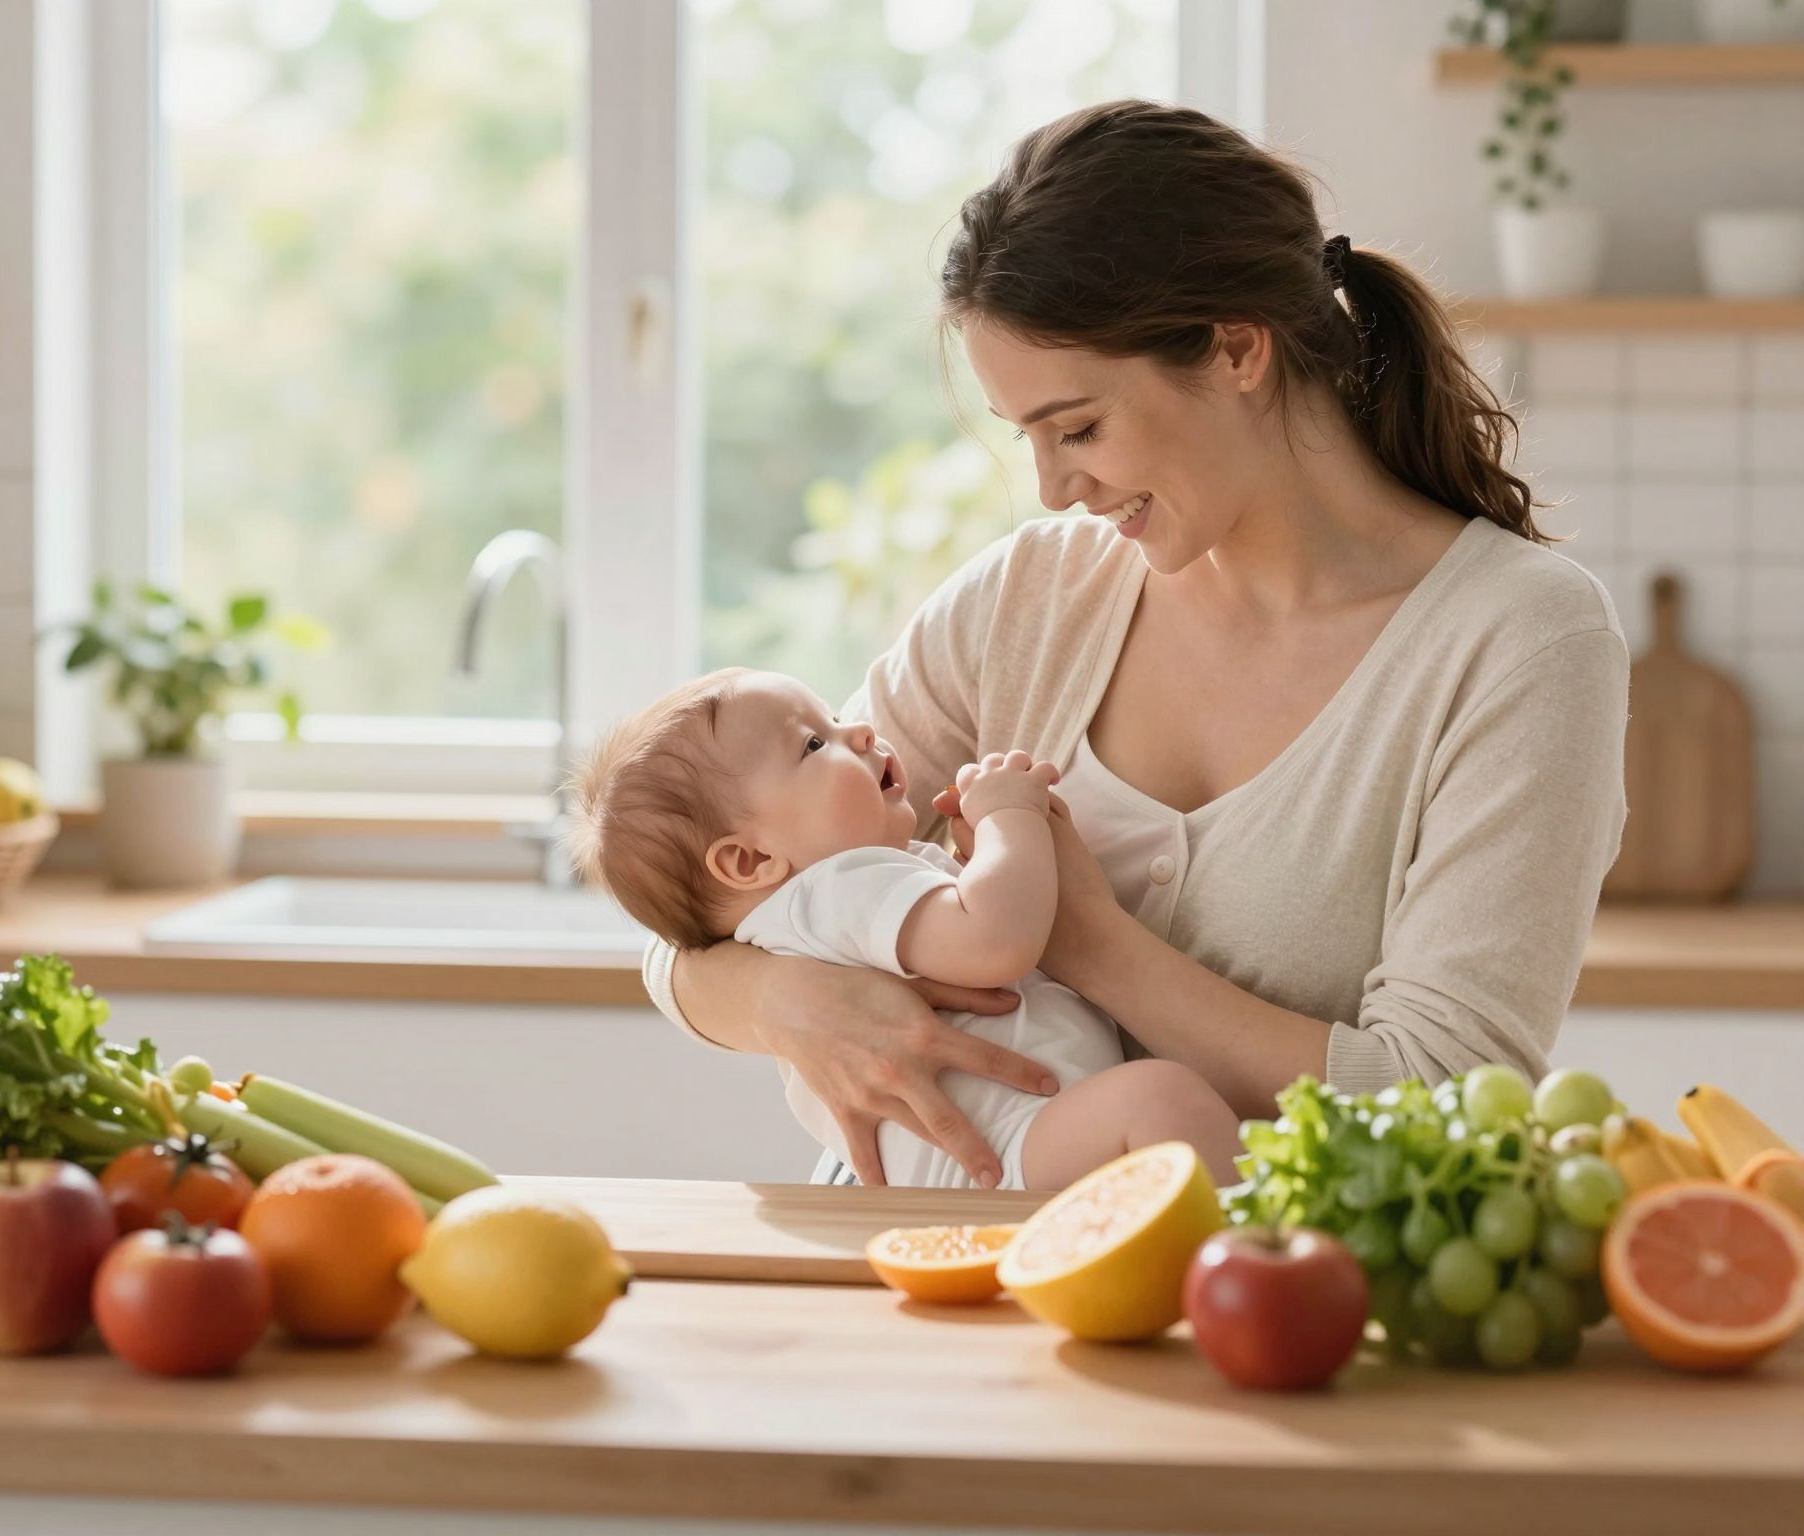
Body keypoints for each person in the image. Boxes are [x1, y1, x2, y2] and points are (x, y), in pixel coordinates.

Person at [644, 100, 1629, 1189]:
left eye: (1078, 428)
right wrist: (783, 1001)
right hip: (931, 1262)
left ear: (1236, 349)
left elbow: (1445, 1101)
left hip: (1258, 1279)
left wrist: (1093, 945)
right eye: (1028, 438)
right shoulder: (1029, 599)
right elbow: (699, 905)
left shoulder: (1519, 640)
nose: (1053, 489)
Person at [567, 667, 1244, 1191]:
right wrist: (1009, 818)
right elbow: (995, 940)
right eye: (814, 744)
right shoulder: (838, 887)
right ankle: (1252, 1273)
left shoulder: (815, 909)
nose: (861, 731)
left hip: (994, 1161)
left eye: (835, 717)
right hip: (1004, 1158)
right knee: (1162, 1104)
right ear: (749, 861)